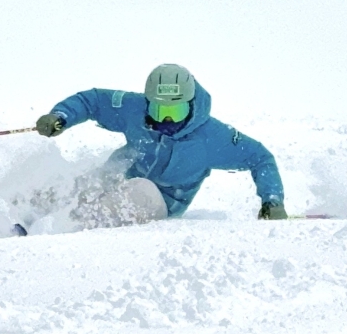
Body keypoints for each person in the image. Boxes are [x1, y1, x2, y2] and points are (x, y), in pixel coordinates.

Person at [35, 64, 287, 223]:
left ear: (191, 105)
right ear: (148, 102)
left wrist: (272, 200)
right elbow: (92, 100)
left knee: (141, 190)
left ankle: (71, 225)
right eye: (158, 109)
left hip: (159, 203)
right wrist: (61, 116)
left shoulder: (212, 137)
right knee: (80, 182)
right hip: (118, 180)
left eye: (175, 111)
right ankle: (25, 210)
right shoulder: (134, 108)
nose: (166, 119)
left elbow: (260, 158)